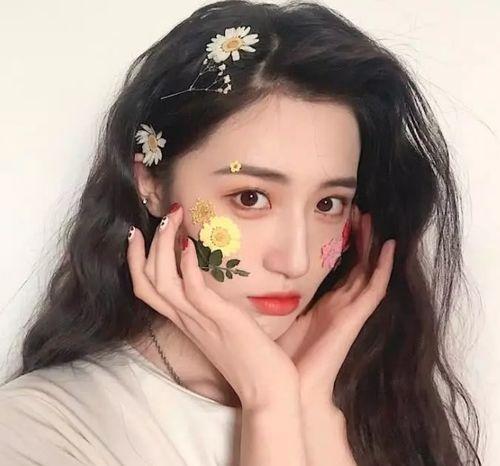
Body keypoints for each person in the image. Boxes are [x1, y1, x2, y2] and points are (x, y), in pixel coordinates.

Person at [0, 0, 482, 465]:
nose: (295, 260)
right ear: (151, 183)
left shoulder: (376, 407)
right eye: (251, 197)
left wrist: (309, 405)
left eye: (328, 204)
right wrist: (270, 403)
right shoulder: (41, 430)